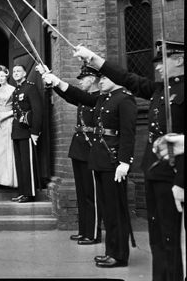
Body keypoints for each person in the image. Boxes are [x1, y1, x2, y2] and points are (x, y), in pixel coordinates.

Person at [73, 41, 184, 278]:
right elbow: (126, 76)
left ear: (180, 60)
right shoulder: (157, 89)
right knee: (158, 240)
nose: (158, 67)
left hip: (174, 174)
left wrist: (181, 182)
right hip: (154, 171)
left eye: (163, 59)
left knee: (170, 239)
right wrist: (92, 57)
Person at [42, 70, 137, 268]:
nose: (100, 81)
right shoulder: (103, 99)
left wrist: (125, 162)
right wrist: (58, 82)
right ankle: (111, 251)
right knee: (108, 210)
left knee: (116, 211)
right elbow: (80, 96)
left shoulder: (125, 99)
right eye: (100, 78)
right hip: (100, 160)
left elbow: (128, 134)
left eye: (104, 77)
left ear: (117, 79)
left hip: (113, 162)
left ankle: (119, 255)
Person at [37, 63, 102, 245]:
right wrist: (52, 81)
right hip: (79, 148)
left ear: (93, 79)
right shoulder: (84, 97)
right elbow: (68, 96)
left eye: (83, 79)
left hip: (92, 148)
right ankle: (84, 231)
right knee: (82, 193)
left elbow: (75, 93)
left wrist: (57, 80)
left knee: (91, 194)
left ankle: (93, 233)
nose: (80, 82)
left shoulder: (100, 97)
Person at [11, 64, 42, 203]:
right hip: (17, 131)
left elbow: (37, 111)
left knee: (27, 163)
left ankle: (29, 193)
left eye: (19, 71)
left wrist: (35, 132)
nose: (16, 73)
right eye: (14, 71)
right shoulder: (16, 91)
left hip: (27, 131)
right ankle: (22, 192)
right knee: (20, 163)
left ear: (24, 73)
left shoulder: (30, 87)